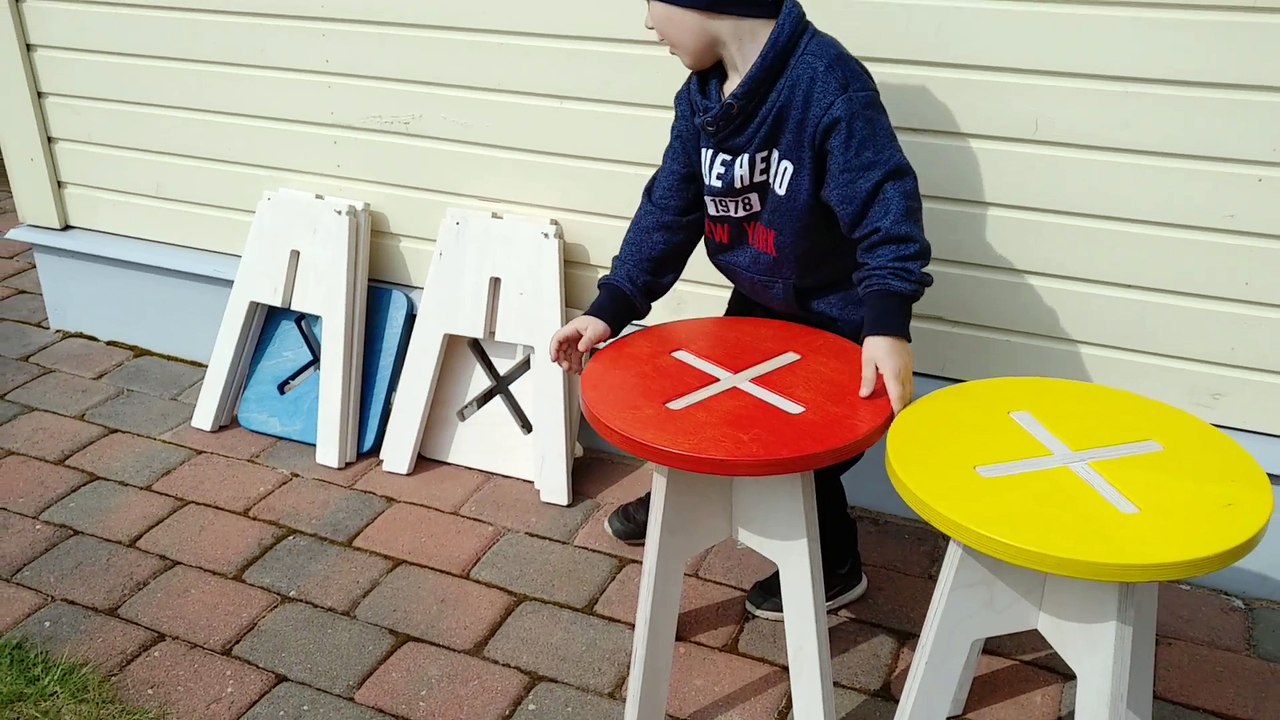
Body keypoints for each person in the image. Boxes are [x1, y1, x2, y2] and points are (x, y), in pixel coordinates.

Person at [549, 0, 933, 620]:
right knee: (720, 412)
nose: (649, 25)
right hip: (757, 297)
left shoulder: (828, 87)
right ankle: (693, 491)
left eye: (652, 5)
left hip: (837, 313)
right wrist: (612, 305)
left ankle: (835, 565)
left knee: (809, 457)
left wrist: (887, 324)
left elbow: (885, 210)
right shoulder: (701, 96)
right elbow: (669, 209)